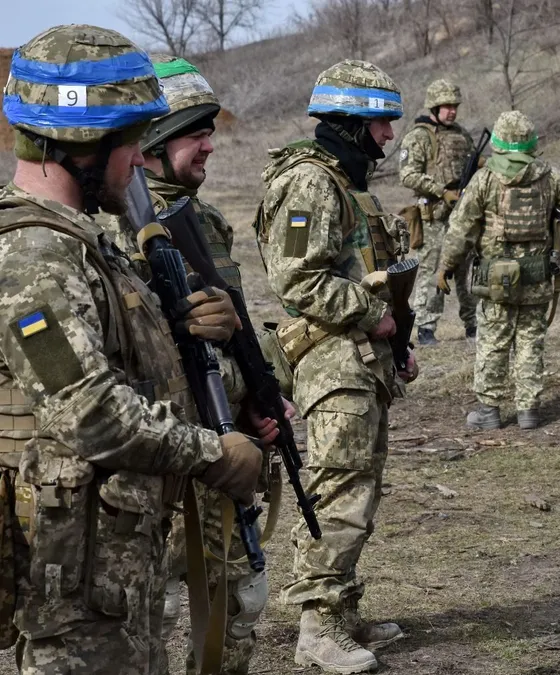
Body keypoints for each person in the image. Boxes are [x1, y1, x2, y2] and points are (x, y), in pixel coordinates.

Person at [0, 24, 262, 674]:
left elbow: (122, 359)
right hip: (73, 581)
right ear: (78, 145)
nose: (141, 162)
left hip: (109, 565)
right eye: (129, 143)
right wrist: (212, 452)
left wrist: (201, 324)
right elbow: (87, 411)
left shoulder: (82, 243)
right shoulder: (34, 257)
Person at [255, 59, 417, 674]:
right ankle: (317, 629)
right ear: (349, 124)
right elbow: (297, 278)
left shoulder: (346, 184)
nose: (390, 137)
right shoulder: (310, 183)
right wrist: (371, 314)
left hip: (360, 360)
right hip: (331, 360)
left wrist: (393, 340)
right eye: (380, 125)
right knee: (338, 490)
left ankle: (342, 611)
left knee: (359, 487)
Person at [137, 55, 274, 675]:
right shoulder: (113, 228)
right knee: (156, 621)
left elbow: (230, 335)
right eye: (195, 132)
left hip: (224, 449)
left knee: (236, 609)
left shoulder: (205, 222)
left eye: (209, 130)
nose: (210, 146)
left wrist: (260, 398)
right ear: (154, 143)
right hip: (162, 461)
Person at [437, 110, 560, 431]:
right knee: (530, 341)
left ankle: (489, 411)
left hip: (496, 279)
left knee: (493, 340)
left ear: (499, 144)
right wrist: (556, 243)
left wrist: (445, 266)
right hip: (538, 275)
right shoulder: (551, 176)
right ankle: (528, 410)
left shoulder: (486, 179)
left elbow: (460, 229)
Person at [400, 79, 477, 345]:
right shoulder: (419, 137)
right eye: (446, 106)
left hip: (462, 213)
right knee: (432, 271)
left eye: (454, 105)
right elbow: (408, 174)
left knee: (468, 270)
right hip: (433, 216)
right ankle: (426, 326)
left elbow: (474, 166)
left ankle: (473, 323)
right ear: (434, 106)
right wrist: (441, 191)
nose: (452, 110)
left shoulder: (462, 135)